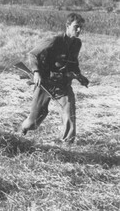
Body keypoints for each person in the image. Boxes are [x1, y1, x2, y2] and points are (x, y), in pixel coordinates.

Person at [20, 13, 89, 144]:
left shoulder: (77, 44)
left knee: (69, 113)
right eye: (76, 26)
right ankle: (23, 129)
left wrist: (80, 76)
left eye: (81, 27)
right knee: (33, 121)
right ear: (67, 26)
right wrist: (36, 73)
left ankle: (67, 144)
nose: (79, 30)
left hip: (63, 84)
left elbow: (73, 63)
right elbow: (33, 54)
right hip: (45, 83)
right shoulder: (54, 40)